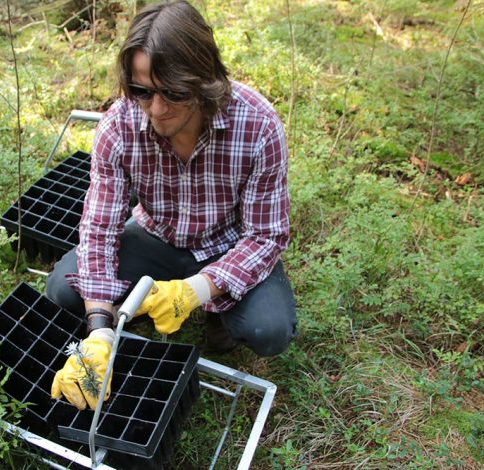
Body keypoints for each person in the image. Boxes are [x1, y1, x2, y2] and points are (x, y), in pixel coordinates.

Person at [48, 0, 297, 411]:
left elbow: (266, 236)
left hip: (228, 243)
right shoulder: (120, 125)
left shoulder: (258, 125)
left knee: (268, 329)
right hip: (156, 236)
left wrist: (195, 290)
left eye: (175, 93)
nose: (157, 110)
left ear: (206, 81)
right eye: (143, 91)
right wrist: (99, 330)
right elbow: (98, 228)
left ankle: (217, 312)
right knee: (64, 287)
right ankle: (137, 313)